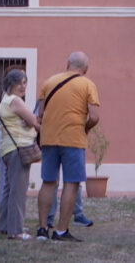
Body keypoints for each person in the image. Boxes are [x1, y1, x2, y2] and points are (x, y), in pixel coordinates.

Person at [35, 51, 100, 242]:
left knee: (48, 182)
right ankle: (61, 231)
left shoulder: (49, 82)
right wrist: (85, 128)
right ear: (86, 69)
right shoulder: (87, 84)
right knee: (71, 183)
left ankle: (42, 228)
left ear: (67, 64)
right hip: (73, 139)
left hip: (48, 138)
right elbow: (94, 116)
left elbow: (40, 114)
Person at [0, 69, 40, 240]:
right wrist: (31, 122)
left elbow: (25, 121)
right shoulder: (15, 101)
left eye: (24, 82)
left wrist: (27, 121)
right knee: (18, 191)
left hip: (8, 149)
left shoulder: (4, 100)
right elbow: (33, 120)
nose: (23, 86)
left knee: (9, 189)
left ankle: (4, 226)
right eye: (19, 83)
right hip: (19, 149)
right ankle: (16, 231)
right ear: (11, 84)